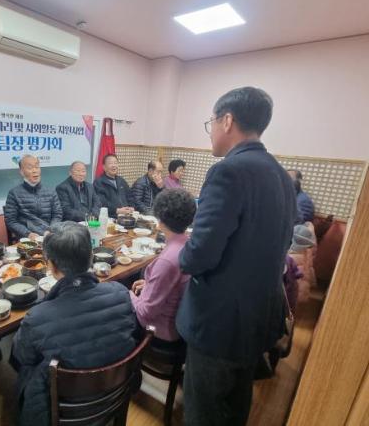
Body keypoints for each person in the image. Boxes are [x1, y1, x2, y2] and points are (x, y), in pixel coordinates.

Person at [176, 87, 298, 426]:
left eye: (211, 123)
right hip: (258, 317)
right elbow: (283, 242)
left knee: (204, 411)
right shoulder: (280, 174)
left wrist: (182, 252)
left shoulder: (227, 171)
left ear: (227, 120)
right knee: (235, 403)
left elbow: (199, 255)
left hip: (220, 323)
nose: (211, 131)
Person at [11, 222, 139, 425]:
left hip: (66, 410)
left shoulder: (36, 317)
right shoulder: (121, 293)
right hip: (114, 394)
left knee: (29, 367)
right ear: (91, 256)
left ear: (50, 266)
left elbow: (21, 357)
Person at [130, 188, 196, 347]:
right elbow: (173, 285)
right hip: (179, 321)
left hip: (159, 331)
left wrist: (127, 294)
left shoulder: (167, 260)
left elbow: (145, 313)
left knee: (116, 300)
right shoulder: (189, 244)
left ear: (159, 219)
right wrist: (149, 285)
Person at [4, 154, 63, 241]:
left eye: (37, 167)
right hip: (28, 238)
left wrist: (50, 230)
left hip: (50, 235)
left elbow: (57, 214)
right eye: (30, 168)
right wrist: (28, 234)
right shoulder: (14, 193)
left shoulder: (51, 191)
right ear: (21, 172)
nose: (35, 171)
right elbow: (11, 221)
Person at [93, 153, 134, 218]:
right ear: (104, 167)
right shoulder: (98, 182)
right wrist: (117, 210)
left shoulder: (121, 181)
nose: (114, 165)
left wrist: (131, 207)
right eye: (110, 163)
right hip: (110, 217)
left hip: (126, 216)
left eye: (115, 163)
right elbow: (101, 203)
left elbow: (130, 197)